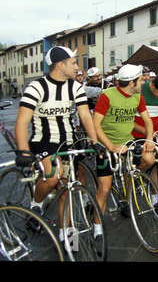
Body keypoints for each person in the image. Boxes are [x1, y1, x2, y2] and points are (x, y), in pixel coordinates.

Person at [15, 46, 102, 240]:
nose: (78, 67)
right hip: (43, 141)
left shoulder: (75, 87)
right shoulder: (36, 87)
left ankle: (67, 237)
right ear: (60, 65)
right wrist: (23, 151)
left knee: (66, 190)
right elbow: (21, 122)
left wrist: (94, 141)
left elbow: (86, 117)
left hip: (68, 142)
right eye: (73, 63)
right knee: (54, 176)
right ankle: (36, 205)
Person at [93, 64, 156, 218]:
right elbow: (95, 124)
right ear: (131, 83)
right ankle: (97, 229)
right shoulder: (107, 95)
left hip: (128, 142)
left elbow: (147, 120)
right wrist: (111, 146)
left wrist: (148, 139)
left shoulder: (138, 96)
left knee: (150, 158)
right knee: (104, 190)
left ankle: (130, 176)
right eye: (141, 80)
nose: (144, 82)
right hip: (107, 145)